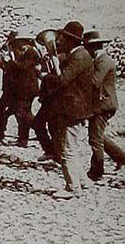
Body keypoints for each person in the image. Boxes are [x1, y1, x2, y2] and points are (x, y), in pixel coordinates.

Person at [49, 21, 94, 199]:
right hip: (75, 107)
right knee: (72, 146)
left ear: (71, 40)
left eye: (63, 39)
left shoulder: (79, 57)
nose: (60, 42)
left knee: (67, 148)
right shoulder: (79, 55)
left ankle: (72, 187)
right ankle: (83, 180)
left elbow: (63, 79)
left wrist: (46, 73)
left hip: (73, 108)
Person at [83, 30, 125, 181]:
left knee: (94, 139)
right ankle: (121, 157)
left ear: (94, 47)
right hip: (103, 104)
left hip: (103, 105)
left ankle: (96, 172)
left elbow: (94, 82)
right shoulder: (102, 60)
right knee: (99, 136)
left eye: (87, 48)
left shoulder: (103, 61)